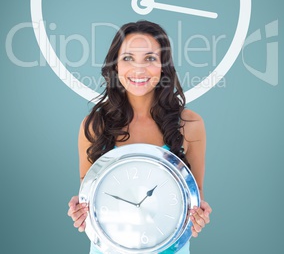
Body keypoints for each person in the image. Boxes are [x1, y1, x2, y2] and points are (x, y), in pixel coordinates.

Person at [68, 20, 212, 253]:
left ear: (163, 66)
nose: (138, 69)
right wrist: (79, 210)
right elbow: (89, 197)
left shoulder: (190, 124)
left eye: (150, 58)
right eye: (128, 58)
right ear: (115, 65)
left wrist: (199, 215)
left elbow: (196, 194)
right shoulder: (95, 125)